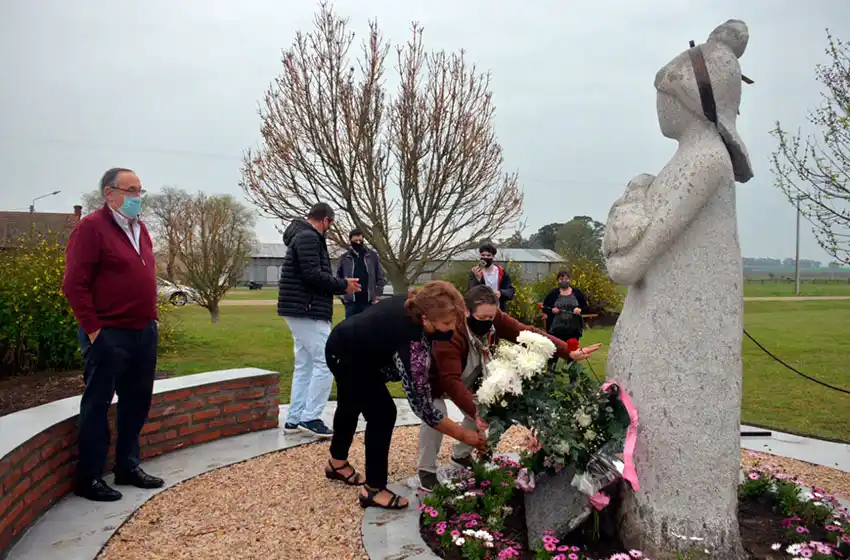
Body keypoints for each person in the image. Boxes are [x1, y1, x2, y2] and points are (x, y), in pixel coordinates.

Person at [417, 285, 602, 490]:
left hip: (472, 372)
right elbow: (450, 381)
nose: (488, 322)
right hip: (436, 380)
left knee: (481, 409)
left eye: (491, 317)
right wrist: (475, 410)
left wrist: (568, 350)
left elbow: (527, 333)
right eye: (483, 318)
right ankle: (426, 469)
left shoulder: (494, 318)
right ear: (467, 312)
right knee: (435, 413)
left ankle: (461, 456)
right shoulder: (451, 331)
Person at [322, 281, 487, 510]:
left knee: (351, 403)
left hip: (351, 347)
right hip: (347, 355)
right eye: (447, 323)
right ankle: (373, 490)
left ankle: (336, 464)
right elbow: (424, 408)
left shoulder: (417, 302)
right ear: (426, 319)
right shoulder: (412, 343)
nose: (452, 329)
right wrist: (464, 435)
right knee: (382, 414)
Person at [62, 167, 164, 502]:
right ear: (109, 193)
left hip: (142, 332)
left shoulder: (141, 229)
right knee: (97, 404)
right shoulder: (91, 229)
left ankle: (127, 465)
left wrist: (153, 320)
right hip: (108, 334)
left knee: (136, 403)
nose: (137, 197)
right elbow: (74, 285)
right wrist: (94, 331)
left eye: (140, 191)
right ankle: (89, 477)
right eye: (131, 190)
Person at [278, 203, 360, 438]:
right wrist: (344, 285)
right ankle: (310, 416)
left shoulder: (300, 236)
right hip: (307, 309)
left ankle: (294, 419)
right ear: (326, 220)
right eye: (331, 224)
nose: (329, 229)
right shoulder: (309, 237)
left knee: (305, 365)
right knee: (327, 361)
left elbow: (311, 273)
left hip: (300, 309)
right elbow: (312, 275)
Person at [336, 228, 385, 318]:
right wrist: (342, 296)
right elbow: (338, 278)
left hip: (369, 302)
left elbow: (380, 276)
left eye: (360, 240)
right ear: (350, 240)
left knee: (368, 329)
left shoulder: (372, 256)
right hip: (351, 303)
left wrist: (377, 295)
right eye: (355, 240)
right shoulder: (344, 258)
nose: (358, 243)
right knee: (350, 329)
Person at [541, 270, 589, 338]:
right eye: (561, 279)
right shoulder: (553, 293)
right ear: (557, 281)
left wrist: (580, 310)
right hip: (555, 330)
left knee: (572, 348)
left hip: (574, 330)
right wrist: (552, 310)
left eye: (566, 279)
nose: (564, 281)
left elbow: (586, 308)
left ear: (569, 280)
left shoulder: (577, 293)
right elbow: (544, 307)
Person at [468, 243, 514, 311]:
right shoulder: (475, 272)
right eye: (483, 255)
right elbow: (472, 292)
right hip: (481, 310)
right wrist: (478, 279)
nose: (485, 257)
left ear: (493, 256)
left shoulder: (501, 272)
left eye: (488, 255)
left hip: (498, 309)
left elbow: (510, 291)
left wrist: (501, 293)